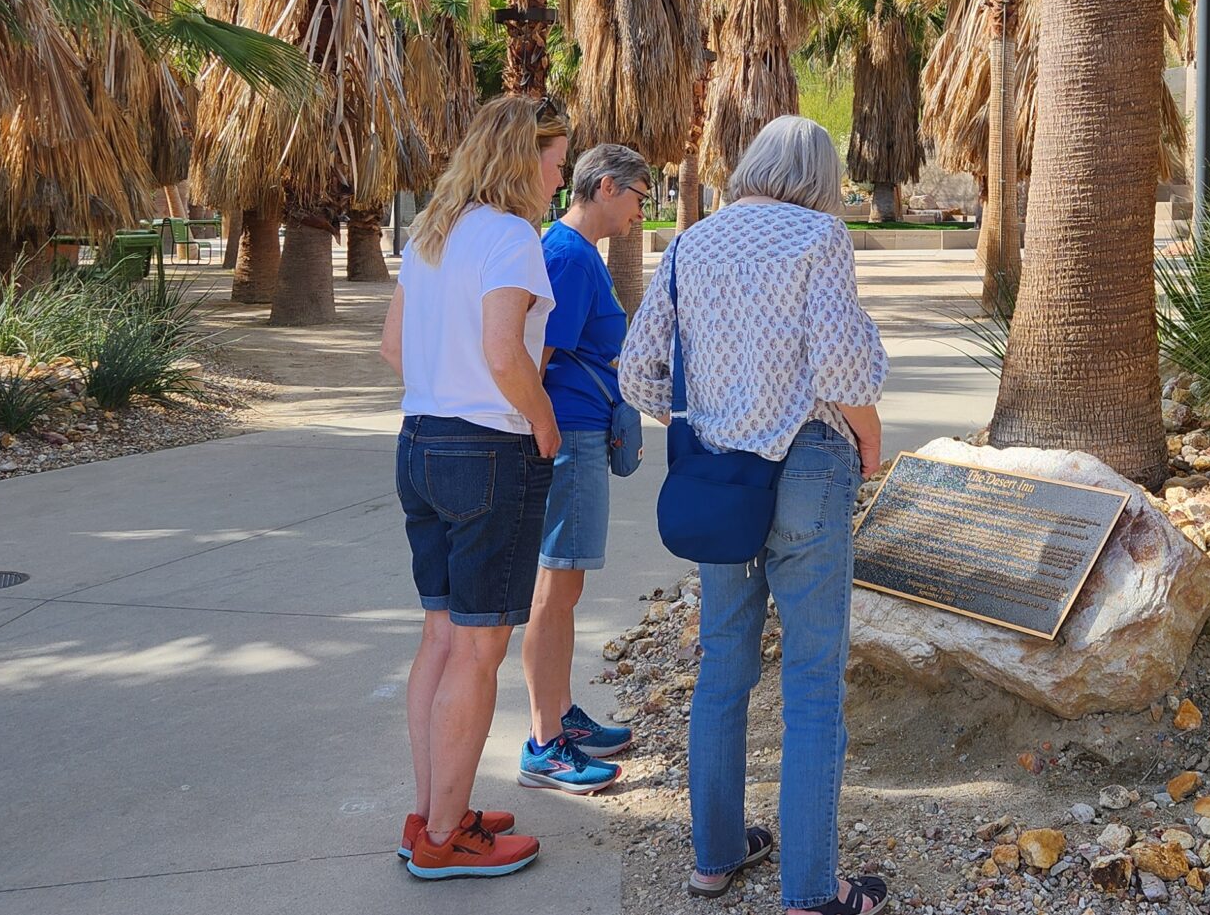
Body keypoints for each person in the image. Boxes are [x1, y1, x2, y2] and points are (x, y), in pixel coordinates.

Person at [618, 115, 891, 915]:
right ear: (821, 177)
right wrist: (870, 440)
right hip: (809, 462)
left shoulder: (693, 240)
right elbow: (842, 365)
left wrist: (706, 417)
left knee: (724, 663)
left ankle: (716, 854)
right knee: (811, 679)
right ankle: (811, 889)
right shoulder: (819, 237)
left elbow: (639, 373)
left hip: (718, 474)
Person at [378, 94, 569, 881]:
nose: (562, 173)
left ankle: (434, 811)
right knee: (481, 648)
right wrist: (544, 422)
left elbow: (393, 346)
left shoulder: (433, 230)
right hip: (489, 447)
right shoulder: (512, 236)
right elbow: (504, 350)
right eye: (557, 158)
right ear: (525, 156)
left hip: (419, 440)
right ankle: (447, 836)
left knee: (440, 637)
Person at [516, 141, 651, 793]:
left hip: (578, 432)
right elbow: (537, 356)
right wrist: (537, 436)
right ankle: (544, 742)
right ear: (604, 187)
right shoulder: (568, 255)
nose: (639, 214)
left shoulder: (575, 253)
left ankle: (559, 714)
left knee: (565, 588)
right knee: (556, 586)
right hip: (568, 436)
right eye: (637, 198)